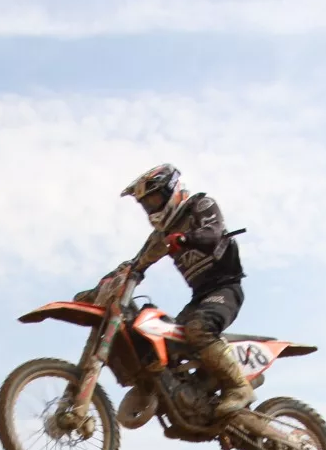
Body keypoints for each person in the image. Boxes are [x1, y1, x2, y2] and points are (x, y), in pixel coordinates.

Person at [89, 164, 250, 420]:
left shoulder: (201, 205)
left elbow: (213, 232)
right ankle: (188, 393)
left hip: (226, 288)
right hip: (200, 298)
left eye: (154, 198)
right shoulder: (161, 236)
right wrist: (102, 287)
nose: (151, 207)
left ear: (171, 190)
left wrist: (185, 238)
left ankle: (239, 387)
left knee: (197, 329)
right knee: (164, 338)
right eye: (146, 203)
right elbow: (135, 264)